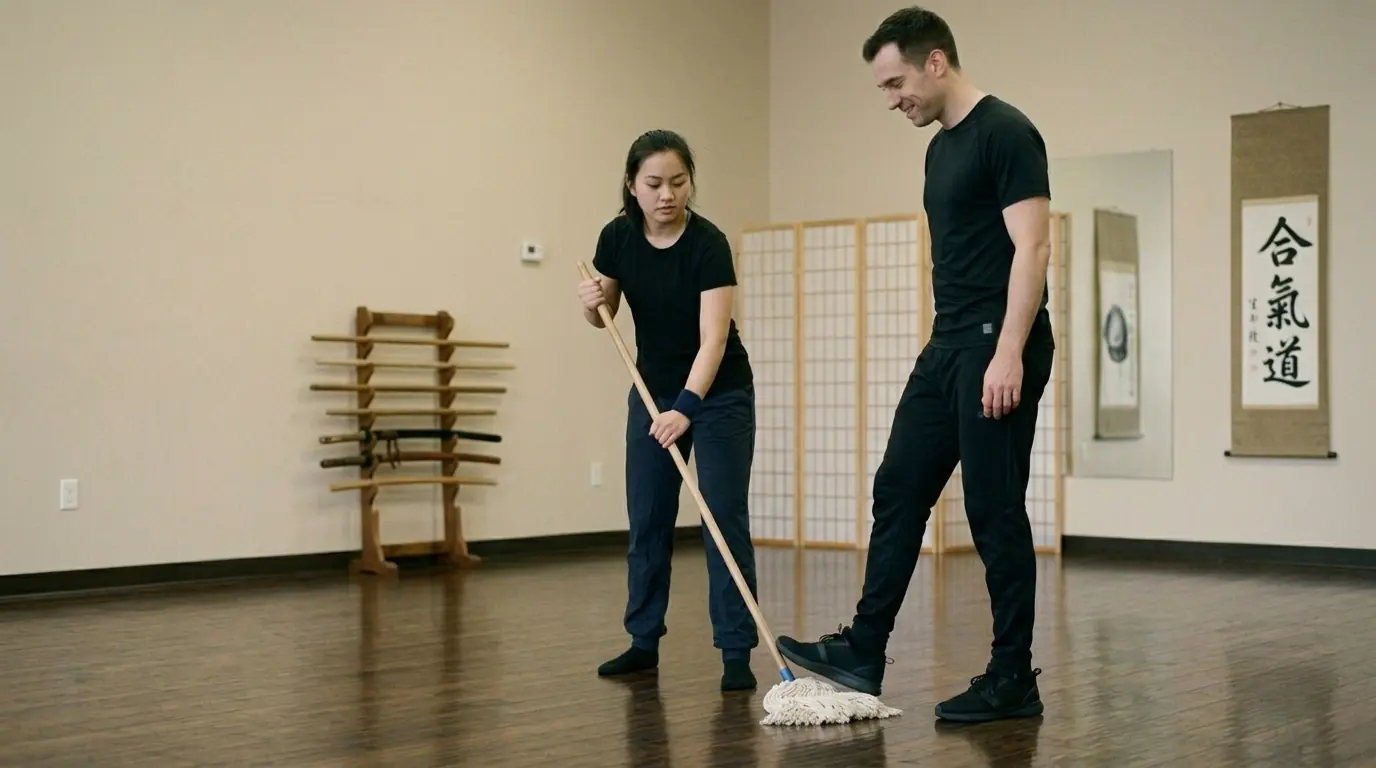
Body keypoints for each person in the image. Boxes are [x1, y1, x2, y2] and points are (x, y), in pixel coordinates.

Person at [774, 6, 1056, 723]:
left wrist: (1008, 353)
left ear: (936, 63)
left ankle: (1012, 677)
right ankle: (865, 649)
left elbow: (1033, 248)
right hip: (948, 344)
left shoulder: (1007, 132)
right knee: (898, 485)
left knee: (993, 511)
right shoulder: (938, 149)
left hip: (998, 344)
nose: (891, 97)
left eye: (896, 80)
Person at [577, 129, 761, 692]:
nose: (667, 194)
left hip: (717, 393)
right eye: (654, 183)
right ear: (632, 186)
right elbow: (603, 316)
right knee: (649, 517)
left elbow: (714, 342)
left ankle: (735, 654)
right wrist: (592, 304)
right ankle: (642, 642)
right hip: (651, 391)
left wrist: (685, 408)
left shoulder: (708, 243)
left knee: (722, 519)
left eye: (678, 182)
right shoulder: (617, 238)